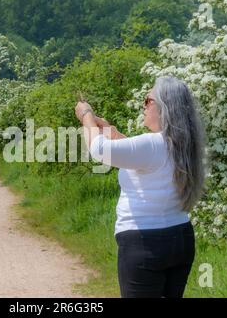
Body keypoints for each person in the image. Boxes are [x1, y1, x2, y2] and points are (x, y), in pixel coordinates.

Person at [75, 76, 207, 298]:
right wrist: (113, 133)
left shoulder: (153, 143)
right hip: (180, 238)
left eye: (147, 100)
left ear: (163, 107)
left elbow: (99, 150)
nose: (143, 106)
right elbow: (147, 163)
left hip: (145, 245)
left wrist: (86, 116)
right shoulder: (184, 143)